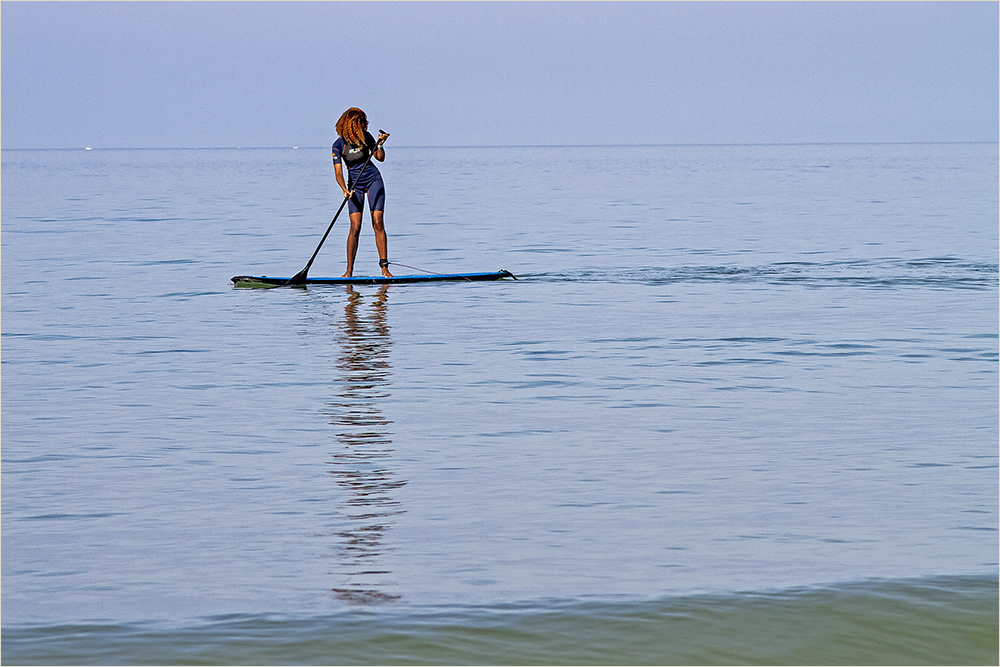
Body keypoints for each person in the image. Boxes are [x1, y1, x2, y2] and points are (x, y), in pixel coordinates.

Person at [332, 108, 391, 278]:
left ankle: (384, 268)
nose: (366, 124)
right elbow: (338, 173)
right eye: (362, 122)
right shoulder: (338, 145)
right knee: (355, 227)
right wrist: (344, 189)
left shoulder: (367, 137)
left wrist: (379, 144)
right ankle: (349, 271)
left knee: (377, 222)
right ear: (353, 124)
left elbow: (380, 157)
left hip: (374, 180)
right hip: (354, 186)